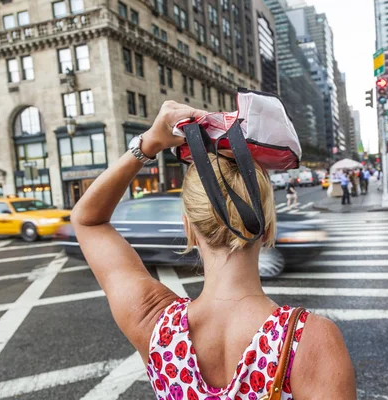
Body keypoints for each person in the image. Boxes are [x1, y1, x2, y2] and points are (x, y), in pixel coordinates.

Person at [70, 101, 356, 399]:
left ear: (188, 229)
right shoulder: (310, 341)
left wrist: (148, 144)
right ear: (269, 229)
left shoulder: (154, 325)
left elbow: (87, 221)